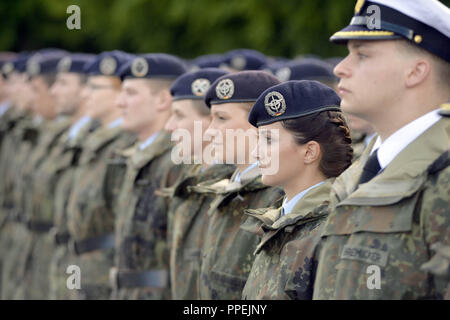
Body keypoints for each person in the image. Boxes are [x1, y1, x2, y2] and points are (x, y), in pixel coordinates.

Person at [313, 0, 450, 299]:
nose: (340, 68)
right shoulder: (363, 170)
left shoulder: (443, 174)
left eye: (362, 55)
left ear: (415, 72)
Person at [241, 80, 352, 299]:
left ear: (310, 152)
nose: (255, 153)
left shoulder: (332, 230)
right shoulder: (279, 220)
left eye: (268, 140)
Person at [196, 71, 285, 299]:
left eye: (222, 118)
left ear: (259, 123)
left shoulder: (278, 196)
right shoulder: (230, 187)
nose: (210, 131)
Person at [109, 53, 187, 300]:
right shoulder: (136, 155)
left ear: (163, 99)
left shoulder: (177, 161)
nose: (120, 102)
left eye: (131, 93)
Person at [162, 68, 236, 299]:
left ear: (208, 123)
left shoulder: (235, 189)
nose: (169, 126)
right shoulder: (190, 180)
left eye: (179, 116)